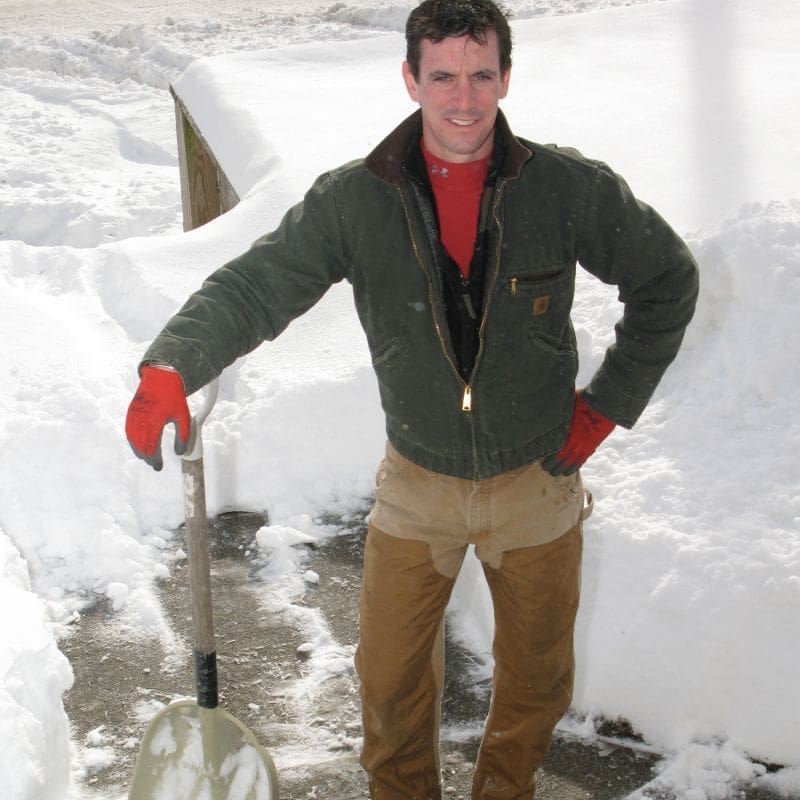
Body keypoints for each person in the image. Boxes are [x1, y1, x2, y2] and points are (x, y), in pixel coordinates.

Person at [125, 1, 699, 797]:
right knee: (389, 684)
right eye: (442, 76)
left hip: (536, 484)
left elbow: (668, 279)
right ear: (410, 78)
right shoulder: (356, 201)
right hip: (417, 486)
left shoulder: (565, 189)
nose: (462, 98)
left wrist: (604, 408)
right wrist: (171, 366)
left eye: (480, 74)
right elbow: (256, 285)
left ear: (505, 76)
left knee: (536, 687)